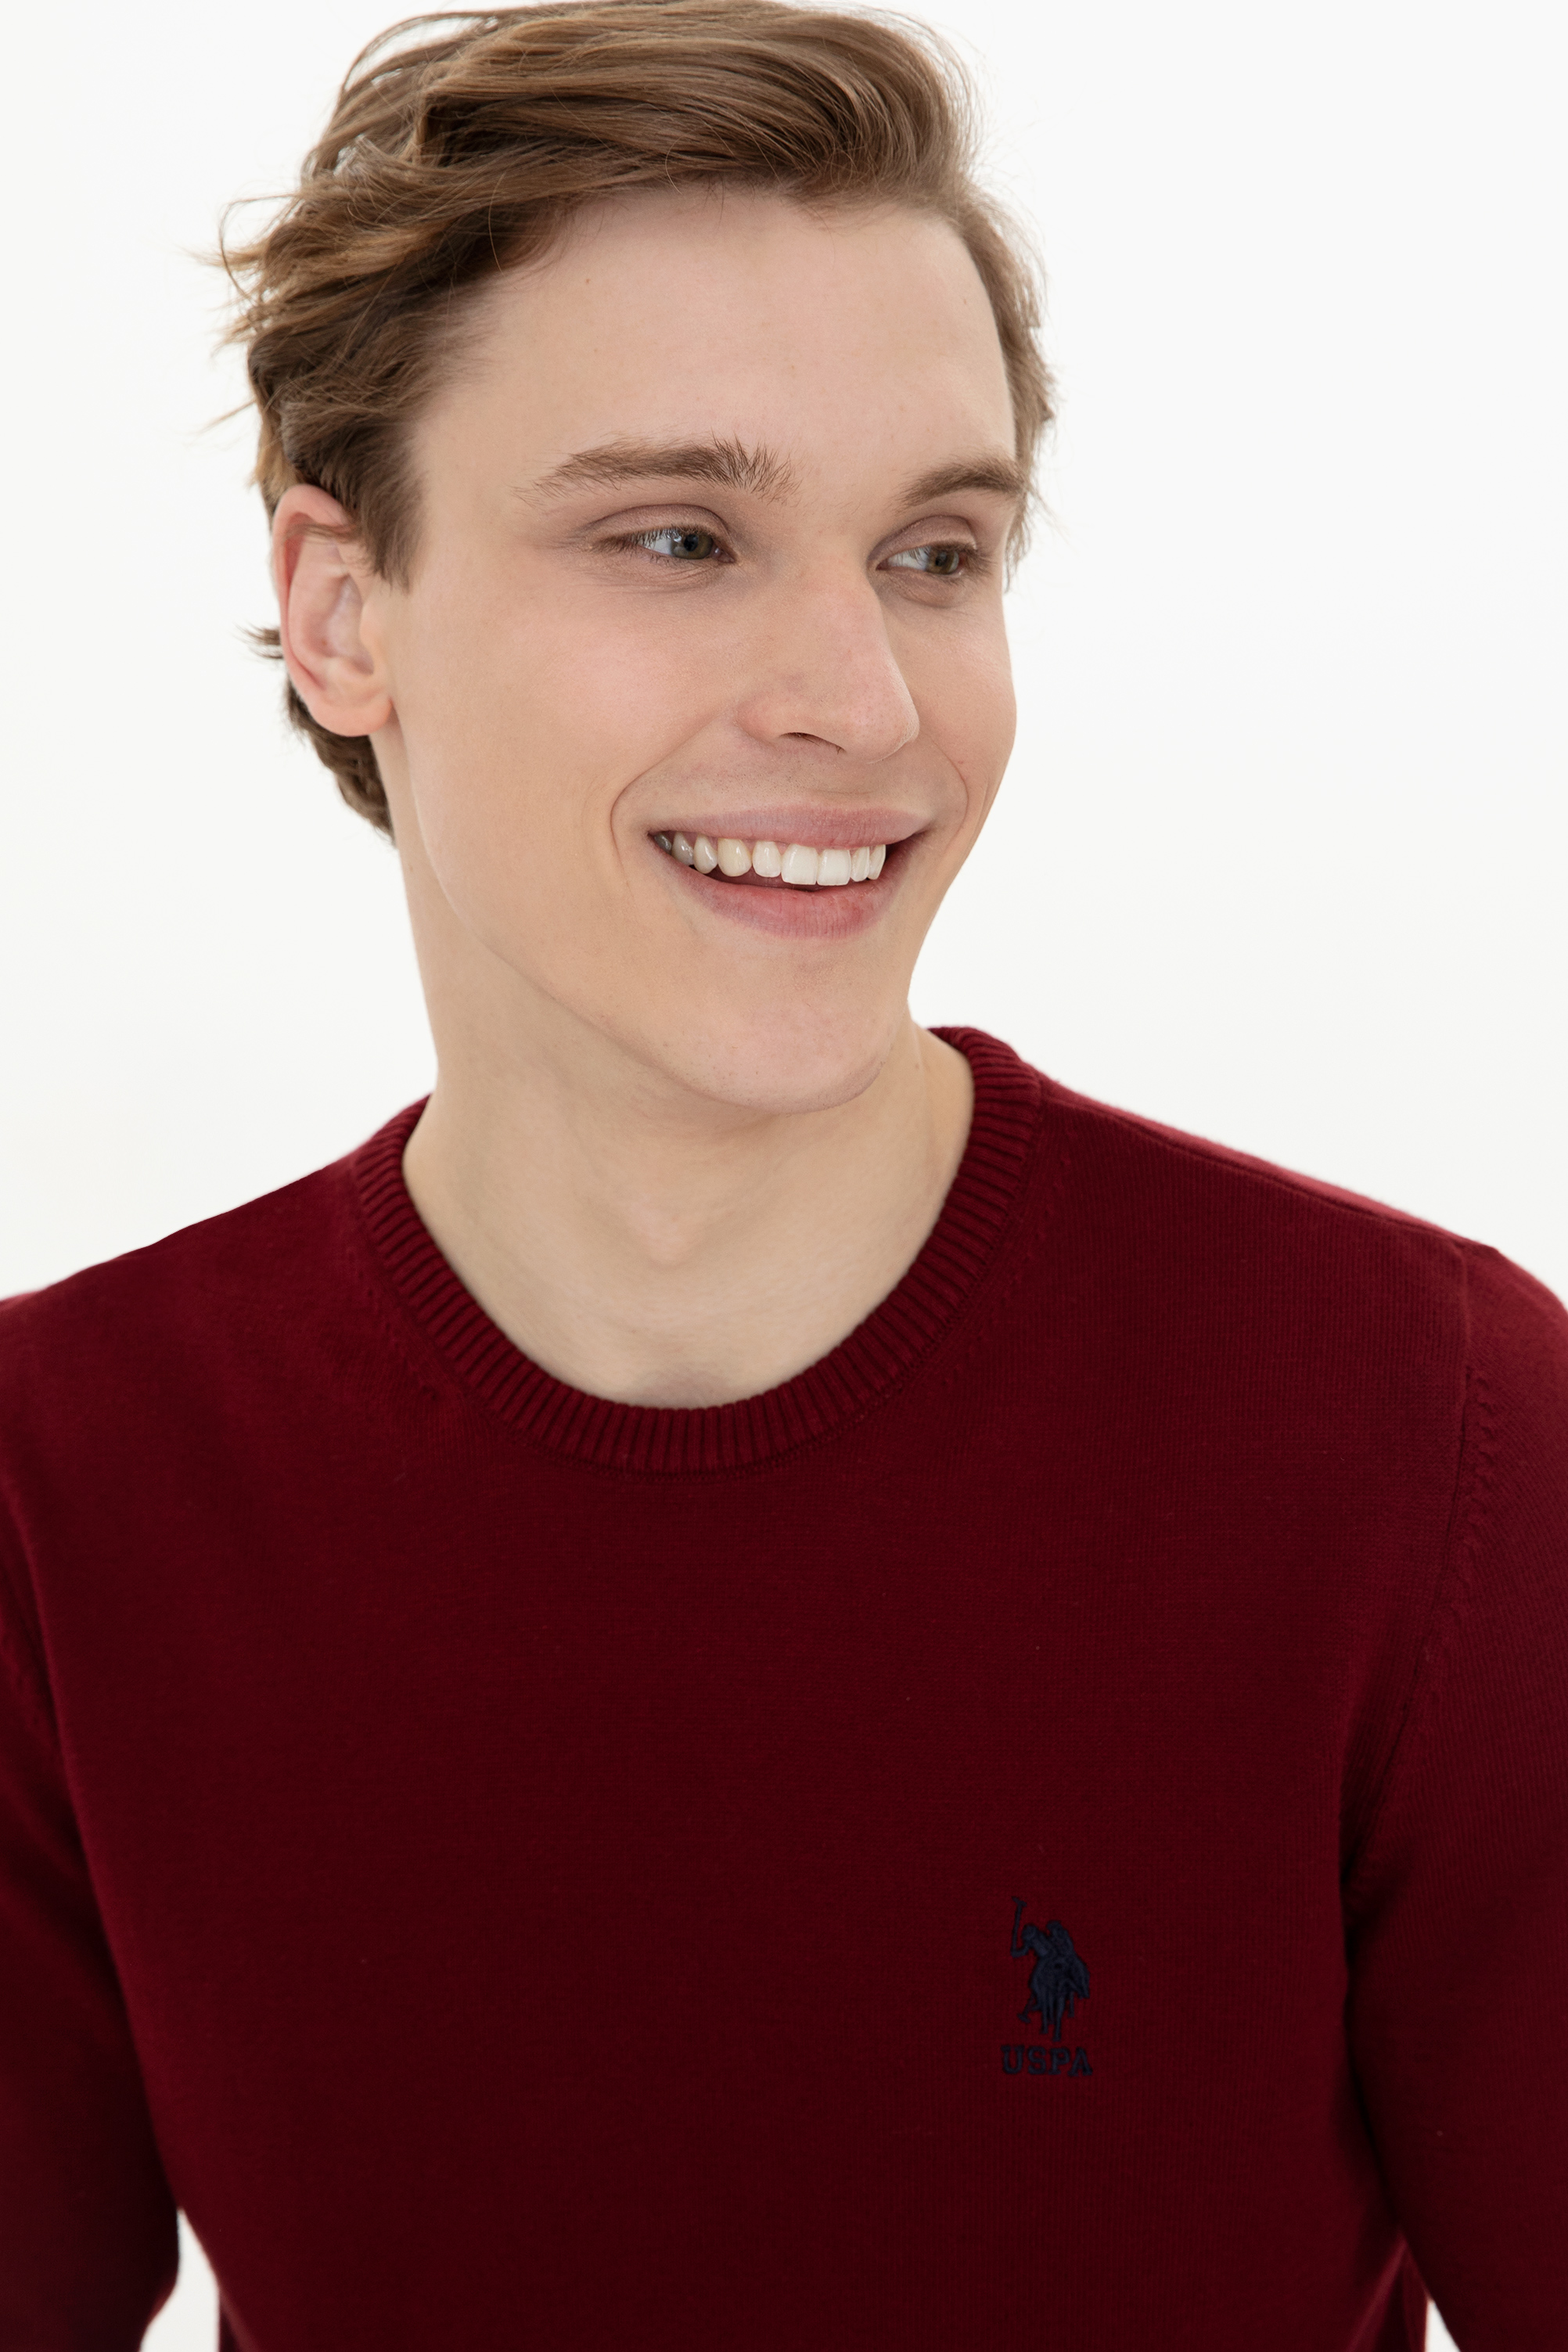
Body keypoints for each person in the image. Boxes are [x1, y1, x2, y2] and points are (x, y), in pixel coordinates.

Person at [0, 2, 1562, 2345]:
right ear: (343, 613)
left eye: (936, 551)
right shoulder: (62, 1479)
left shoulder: (1422, 1428)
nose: (864, 696)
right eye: (677, 536)